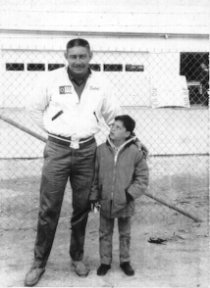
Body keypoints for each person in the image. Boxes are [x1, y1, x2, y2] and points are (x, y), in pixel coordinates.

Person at [24, 38, 148, 286]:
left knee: (82, 207)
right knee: (49, 209)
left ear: (91, 55)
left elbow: (115, 114)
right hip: (57, 150)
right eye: (73, 56)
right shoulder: (51, 79)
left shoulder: (101, 83)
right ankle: (39, 263)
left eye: (82, 56)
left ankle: (77, 257)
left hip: (87, 151)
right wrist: (52, 132)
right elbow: (32, 109)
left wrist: (133, 138)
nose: (78, 61)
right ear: (66, 57)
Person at [89, 115, 149, 277]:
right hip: (104, 201)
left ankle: (125, 261)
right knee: (104, 233)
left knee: (125, 234)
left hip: (126, 201)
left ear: (128, 133)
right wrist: (94, 199)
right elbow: (94, 176)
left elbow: (142, 178)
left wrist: (129, 195)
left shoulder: (135, 153)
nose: (112, 129)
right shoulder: (101, 150)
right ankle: (105, 262)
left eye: (118, 127)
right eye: (112, 126)